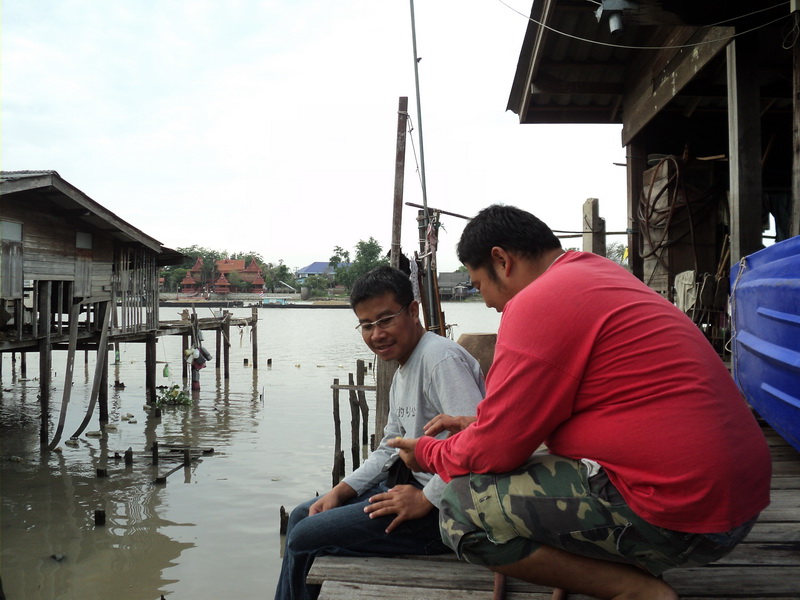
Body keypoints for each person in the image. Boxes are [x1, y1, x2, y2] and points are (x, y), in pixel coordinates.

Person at [390, 204, 772, 600]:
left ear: (501, 260)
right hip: (740, 503)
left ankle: (634, 590)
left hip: (687, 519)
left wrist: (429, 453)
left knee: (458, 510)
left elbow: (494, 451)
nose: (485, 301)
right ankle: (596, 563)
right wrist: (478, 424)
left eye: (478, 284)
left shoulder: (536, 301)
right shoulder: (599, 275)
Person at [274, 265, 486, 600]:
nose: (377, 334)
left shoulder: (439, 359)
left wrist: (424, 498)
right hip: (407, 493)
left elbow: (478, 443)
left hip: (445, 514)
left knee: (304, 539)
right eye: (367, 325)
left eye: (386, 320)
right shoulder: (404, 367)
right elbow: (388, 447)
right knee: (303, 515)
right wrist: (341, 491)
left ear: (413, 311)